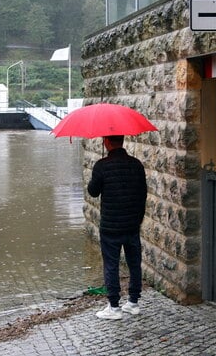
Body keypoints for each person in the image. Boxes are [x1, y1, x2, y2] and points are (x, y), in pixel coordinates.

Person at [87, 135, 147, 320]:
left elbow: (93, 191)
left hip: (111, 227)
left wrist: (97, 172)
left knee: (111, 265)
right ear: (122, 141)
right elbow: (143, 193)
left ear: (106, 142)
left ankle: (114, 307)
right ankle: (133, 302)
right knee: (134, 263)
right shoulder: (136, 164)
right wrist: (138, 219)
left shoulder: (102, 165)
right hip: (131, 224)